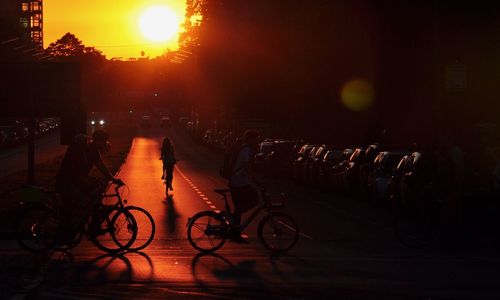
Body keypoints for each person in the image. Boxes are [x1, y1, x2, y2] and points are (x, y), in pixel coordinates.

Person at [55, 130, 123, 237]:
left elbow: (96, 168)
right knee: (83, 201)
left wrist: (103, 179)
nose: (105, 144)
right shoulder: (90, 150)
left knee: (93, 197)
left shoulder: (91, 149)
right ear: (99, 141)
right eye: (104, 141)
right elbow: (101, 166)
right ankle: (78, 227)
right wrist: (112, 179)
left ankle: (87, 225)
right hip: (67, 181)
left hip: (74, 180)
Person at [228, 129, 261, 243]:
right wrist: (256, 180)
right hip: (239, 182)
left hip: (236, 181)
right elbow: (247, 167)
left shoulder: (244, 148)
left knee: (239, 207)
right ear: (250, 139)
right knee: (255, 198)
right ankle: (235, 219)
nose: (257, 141)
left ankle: (235, 234)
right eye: (256, 138)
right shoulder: (246, 150)